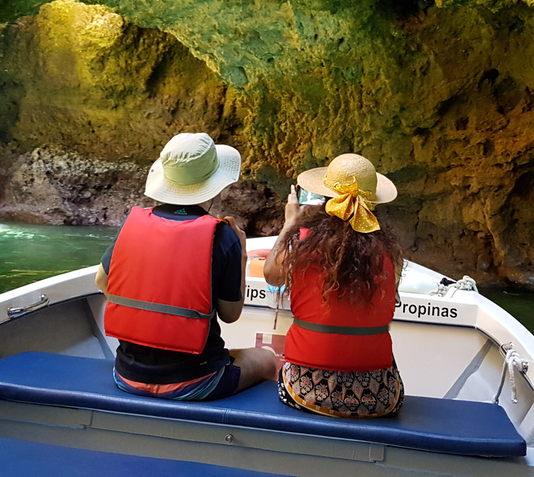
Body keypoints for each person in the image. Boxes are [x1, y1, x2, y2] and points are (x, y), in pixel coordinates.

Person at [95, 132, 277, 401]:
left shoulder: (132, 226)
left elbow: (102, 281)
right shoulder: (223, 237)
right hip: (196, 382)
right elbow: (230, 315)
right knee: (267, 358)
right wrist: (241, 255)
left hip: (126, 376)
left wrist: (150, 312)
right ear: (214, 185)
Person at [263, 153, 405, 417]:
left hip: (304, 392)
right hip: (378, 397)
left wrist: (290, 223)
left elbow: (272, 275)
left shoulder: (303, 241)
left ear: (323, 199)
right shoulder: (387, 251)